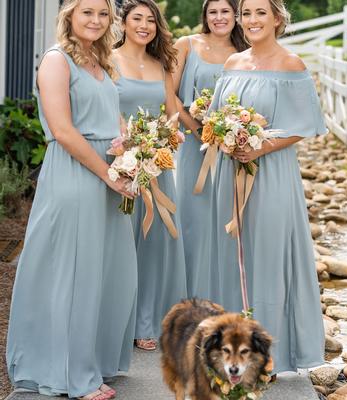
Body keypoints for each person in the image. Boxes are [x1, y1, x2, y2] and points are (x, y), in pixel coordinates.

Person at [6, 1, 138, 399]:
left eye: (102, 13)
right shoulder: (55, 60)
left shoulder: (103, 61)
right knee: (76, 273)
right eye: (87, 12)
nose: (96, 20)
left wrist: (131, 155)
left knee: (108, 271)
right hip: (76, 173)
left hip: (109, 173)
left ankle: (93, 360)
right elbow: (63, 130)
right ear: (69, 16)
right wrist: (108, 173)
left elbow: (113, 119)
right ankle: (71, 374)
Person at [210, 0, 326, 374]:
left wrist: (259, 146)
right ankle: (230, 352)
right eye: (246, 13)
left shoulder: (292, 65)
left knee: (271, 255)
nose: (252, 20)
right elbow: (215, 119)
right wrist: (228, 140)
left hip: (273, 173)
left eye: (261, 12)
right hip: (230, 174)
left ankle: (272, 353)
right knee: (233, 255)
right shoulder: (232, 64)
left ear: (277, 18)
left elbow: (304, 126)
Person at [113, 0, 187, 351]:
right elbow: (106, 108)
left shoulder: (162, 64)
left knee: (156, 243)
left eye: (150, 20)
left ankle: (145, 322)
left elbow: (171, 112)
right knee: (120, 242)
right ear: (124, 23)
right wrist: (129, 147)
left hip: (158, 164)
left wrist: (171, 135)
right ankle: (116, 320)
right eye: (136, 18)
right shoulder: (108, 60)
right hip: (120, 165)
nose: (144, 25)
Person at [173, 0, 248, 299]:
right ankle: (187, 299)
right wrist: (199, 130)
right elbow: (171, 94)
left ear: (235, 16)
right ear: (205, 16)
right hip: (194, 147)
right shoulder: (186, 45)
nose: (219, 18)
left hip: (229, 152)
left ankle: (221, 299)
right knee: (192, 221)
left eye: (225, 11)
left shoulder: (243, 54)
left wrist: (231, 134)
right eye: (213, 12)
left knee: (223, 224)